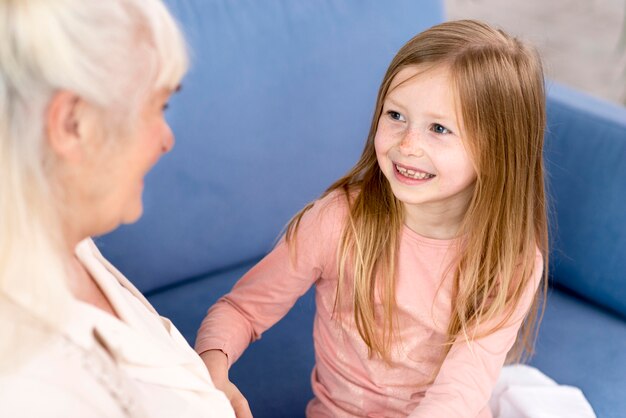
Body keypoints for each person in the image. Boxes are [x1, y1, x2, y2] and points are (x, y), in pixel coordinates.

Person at [196, 19, 548, 418]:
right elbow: (242, 310)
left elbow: (460, 390)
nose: (407, 145)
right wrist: (210, 370)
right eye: (396, 115)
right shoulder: (335, 221)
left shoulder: (512, 258)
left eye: (438, 128)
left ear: (497, 150)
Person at [0, 1, 235, 416]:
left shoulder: (64, 237)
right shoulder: (28, 384)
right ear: (74, 124)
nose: (167, 140)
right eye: (157, 107)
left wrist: (205, 390)